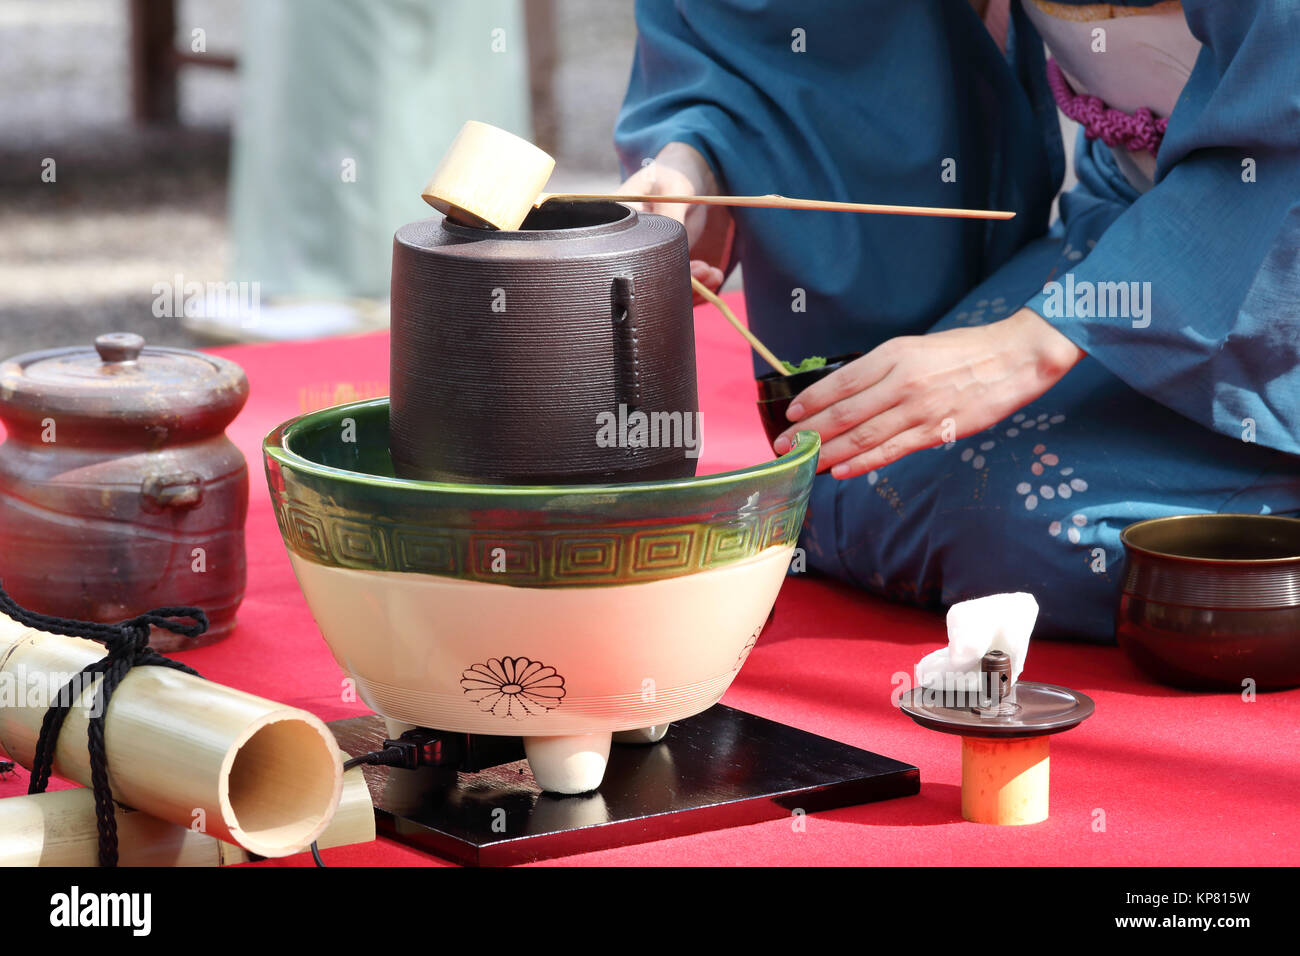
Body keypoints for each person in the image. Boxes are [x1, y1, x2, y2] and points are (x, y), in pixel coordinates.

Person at [614, 0, 1300, 641]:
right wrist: (696, 162)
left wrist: (1034, 342)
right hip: (1129, 215)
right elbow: (798, 33)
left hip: (1269, 243)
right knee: (857, 479)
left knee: (1016, 524)